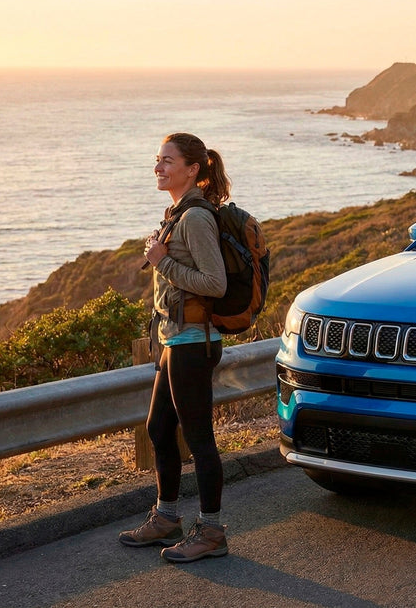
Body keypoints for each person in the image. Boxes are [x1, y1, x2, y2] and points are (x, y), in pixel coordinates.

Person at [118, 132, 229, 563]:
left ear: (193, 169)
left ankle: (212, 531)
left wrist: (162, 260)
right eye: (157, 160)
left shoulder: (196, 218)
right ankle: (167, 518)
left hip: (194, 342)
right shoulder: (176, 212)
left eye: (168, 161)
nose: (159, 167)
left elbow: (215, 283)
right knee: (159, 429)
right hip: (173, 339)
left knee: (199, 439)